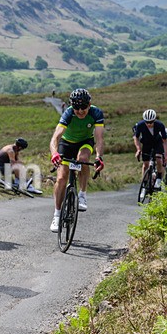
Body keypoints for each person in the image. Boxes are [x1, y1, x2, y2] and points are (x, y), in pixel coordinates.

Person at [48, 88, 105, 232]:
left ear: (89, 104)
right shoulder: (68, 113)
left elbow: (99, 139)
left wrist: (99, 157)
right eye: (76, 107)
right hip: (67, 144)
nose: (80, 111)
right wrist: (54, 153)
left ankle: (83, 194)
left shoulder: (96, 113)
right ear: (71, 106)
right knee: (61, 178)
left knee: (83, 158)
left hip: (85, 142)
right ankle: (57, 214)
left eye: (83, 107)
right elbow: (55, 137)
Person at [132, 109, 167, 190]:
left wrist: (165, 154)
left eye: (151, 122)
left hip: (157, 143)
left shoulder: (160, 125)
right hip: (146, 143)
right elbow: (136, 138)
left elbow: (165, 140)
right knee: (145, 164)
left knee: (159, 160)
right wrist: (138, 149)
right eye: (147, 122)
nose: (149, 124)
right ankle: (144, 185)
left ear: (154, 120)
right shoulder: (140, 125)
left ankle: (159, 178)